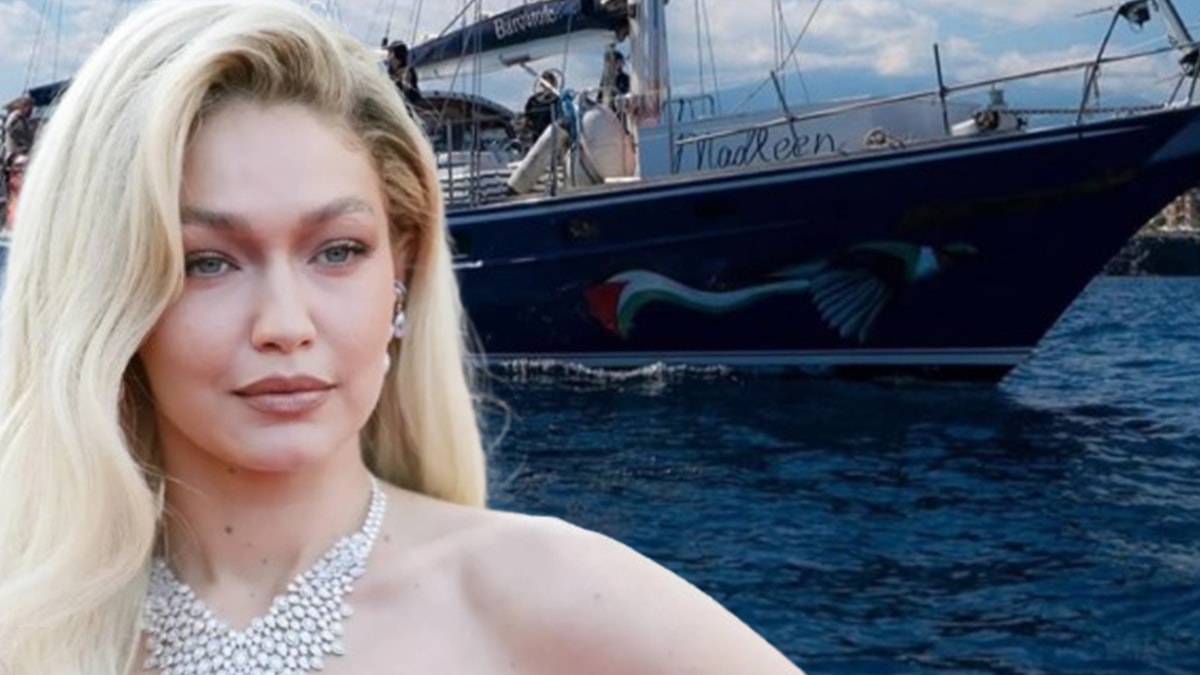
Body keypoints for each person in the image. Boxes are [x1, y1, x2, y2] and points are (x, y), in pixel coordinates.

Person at [0, 2, 806, 674]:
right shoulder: (26, 621)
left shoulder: (559, 598)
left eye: (337, 251)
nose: (285, 324)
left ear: (403, 267)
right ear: (107, 293)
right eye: (207, 262)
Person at [524, 70, 561, 142]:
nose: (547, 86)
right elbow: (527, 117)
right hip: (536, 137)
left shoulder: (558, 101)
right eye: (544, 83)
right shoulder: (534, 100)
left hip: (552, 137)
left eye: (550, 83)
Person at [386, 39, 422, 106]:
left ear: (397, 54)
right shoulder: (390, 70)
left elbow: (408, 93)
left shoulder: (407, 72)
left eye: (390, 52)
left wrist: (405, 84)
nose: (388, 55)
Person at [3, 93, 34, 167]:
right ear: (24, 106)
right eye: (30, 108)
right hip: (15, 155)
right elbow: (11, 130)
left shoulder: (24, 120)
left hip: (21, 153)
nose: (31, 111)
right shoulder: (17, 118)